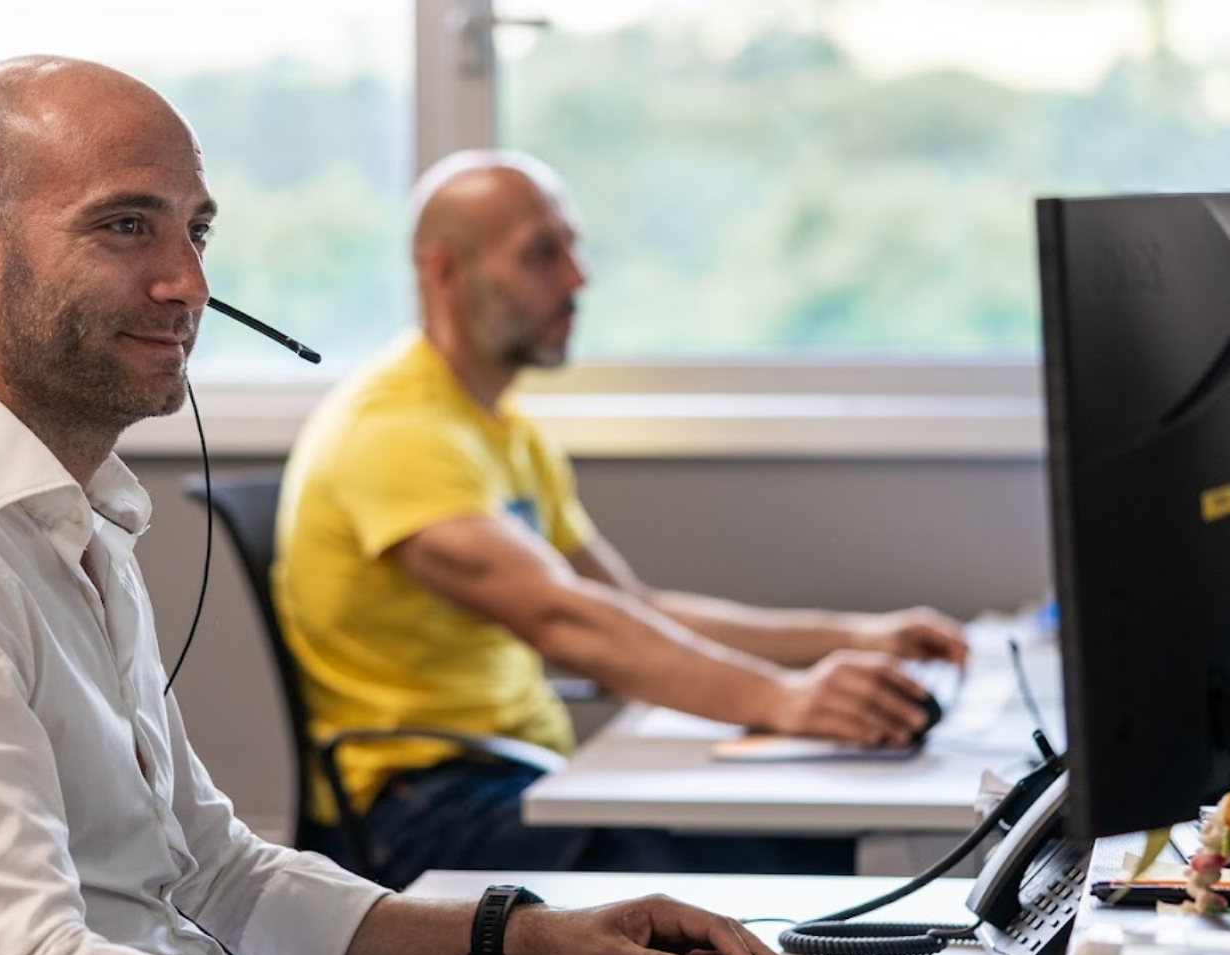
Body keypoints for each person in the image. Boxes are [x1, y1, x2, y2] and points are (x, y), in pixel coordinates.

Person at [0, 56, 787, 955]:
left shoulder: (60, 520)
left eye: (198, 230)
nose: (187, 282)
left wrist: (527, 936)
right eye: (125, 225)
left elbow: (219, 875)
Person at [277, 149, 973, 889]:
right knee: (767, 859)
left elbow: (628, 611)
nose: (579, 279)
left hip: (513, 778)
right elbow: (567, 624)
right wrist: (784, 698)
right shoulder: (395, 433)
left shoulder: (502, 429)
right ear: (445, 272)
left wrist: (846, 639)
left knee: (786, 835)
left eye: (574, 249)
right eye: (543, 254)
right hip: (424, 812)